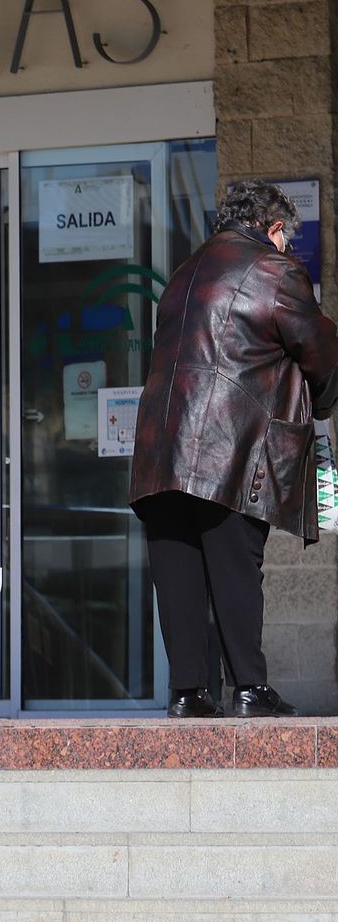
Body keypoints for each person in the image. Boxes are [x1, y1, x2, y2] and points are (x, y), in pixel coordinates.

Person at [131, 180, 338, 719]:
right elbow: (319, 350)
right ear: (273, 229)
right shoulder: (276, 270)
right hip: (228, 448)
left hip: (160, 454)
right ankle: (249, 687)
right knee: (235, 566)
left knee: (177, 567)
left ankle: (187, 692)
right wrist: (322, 397)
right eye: (284, 237)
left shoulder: (182, 274)